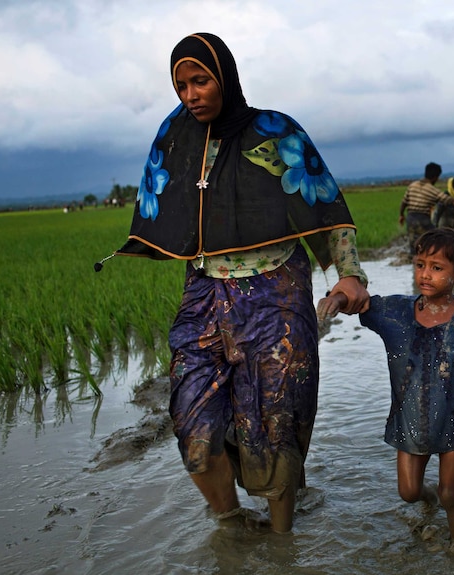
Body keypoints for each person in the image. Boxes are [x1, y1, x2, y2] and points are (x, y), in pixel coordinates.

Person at [105, 33, 370, 534]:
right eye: (181, 84)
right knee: (194, 431)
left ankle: (281, 545)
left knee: (275, 423)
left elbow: (323, 201)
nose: (190, 94)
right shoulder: (174, 134)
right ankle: (231, 528)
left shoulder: (274, 131)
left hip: (276, 290)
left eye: (200, 80)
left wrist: (349, 273)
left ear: (224, 76)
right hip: (205, 292)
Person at [316, 228, 454, 546]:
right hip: (409, 423)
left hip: (453, 423)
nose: (425, 274)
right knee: (408, 493)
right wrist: (336, 298)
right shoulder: (394, 312)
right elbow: (357, 302)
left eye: (436, 267)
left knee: (451, 494)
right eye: (420, 265)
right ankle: (427, 502)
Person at [400, 163, 454, 254]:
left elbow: (404, 202)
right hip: (423, 219)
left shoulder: (412, 185)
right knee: (434, 242)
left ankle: (415, 263)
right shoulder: (432, 190)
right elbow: (453, 201)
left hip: (410, 219)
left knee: (414, 246)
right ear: (435, 177)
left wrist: (401, 215)